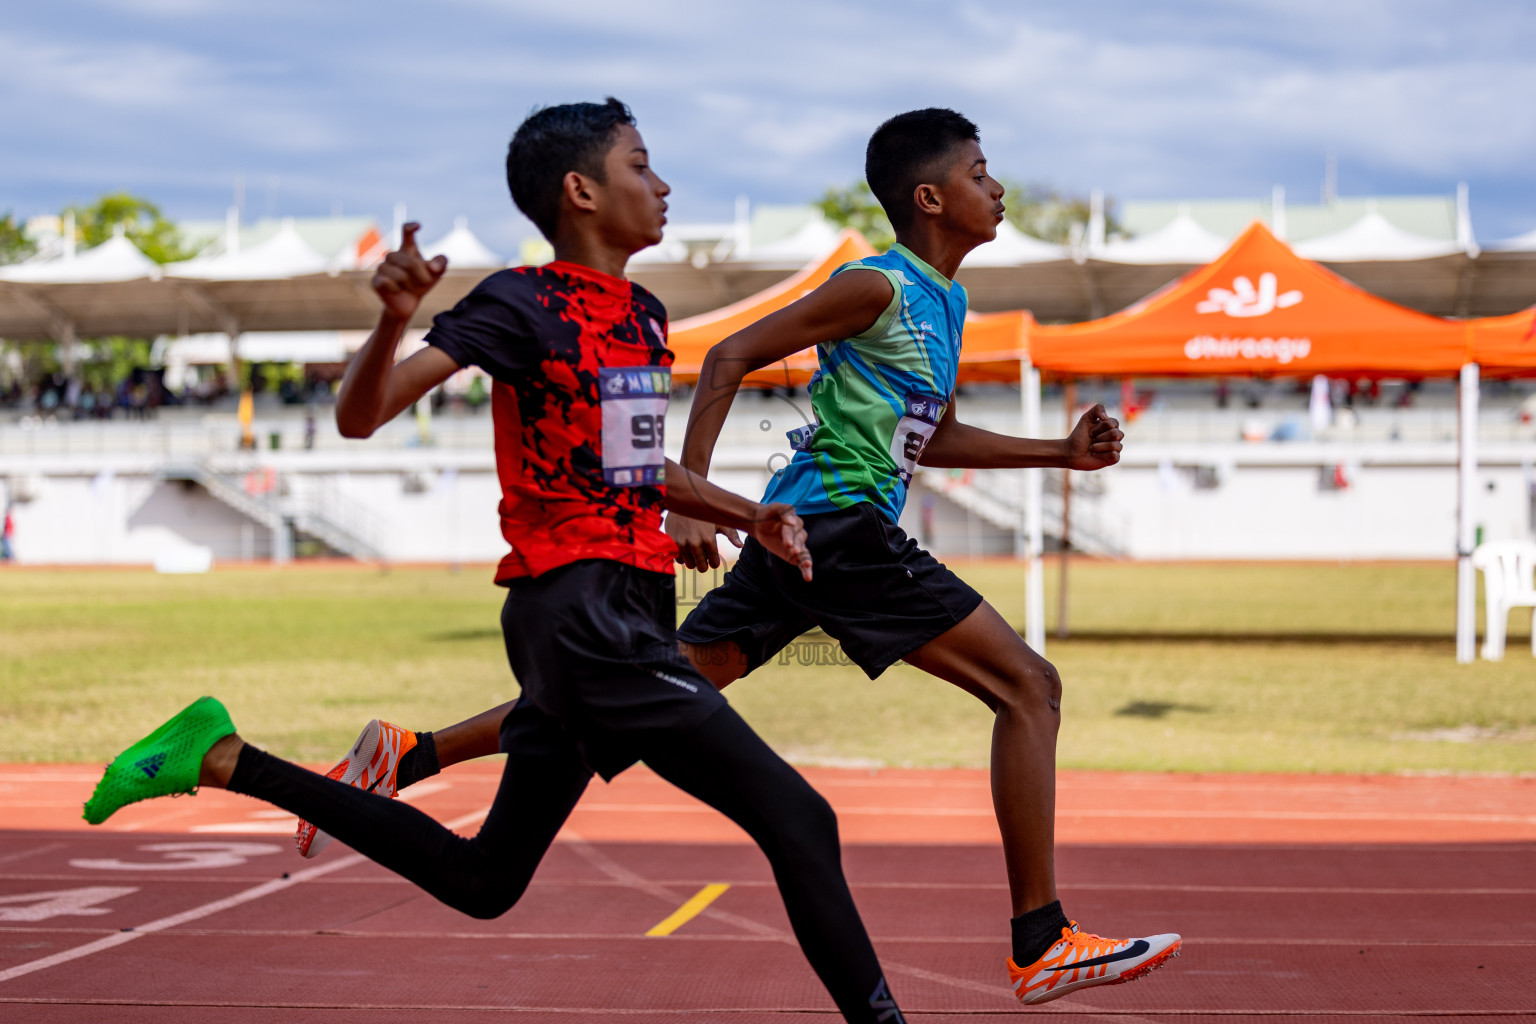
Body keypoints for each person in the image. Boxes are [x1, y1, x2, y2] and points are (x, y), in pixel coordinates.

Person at [300, 108, 1181, 1006]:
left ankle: (413, 754)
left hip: (792, 533)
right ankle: (1041, 935)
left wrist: (1056, 454)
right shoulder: (874, 287)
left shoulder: (934, 302)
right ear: (931, 196)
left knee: (665, 682)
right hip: (835, 526)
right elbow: (729, 356)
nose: (998, 189)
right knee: (1028, 687)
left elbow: (930, 435)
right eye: (983, 173)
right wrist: (699, 507)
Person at [82, 98, 908, 1024]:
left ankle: (228, 758)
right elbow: (365, 414)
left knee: (485, 881)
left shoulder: (641, 313)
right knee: (801, 820)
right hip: (580, 614)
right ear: (581, 189)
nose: (664, 184)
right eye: (643, 165)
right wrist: (394, 319)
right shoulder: (520, 302)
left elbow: (637, 467)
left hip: (637, 606)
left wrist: (750, 514)